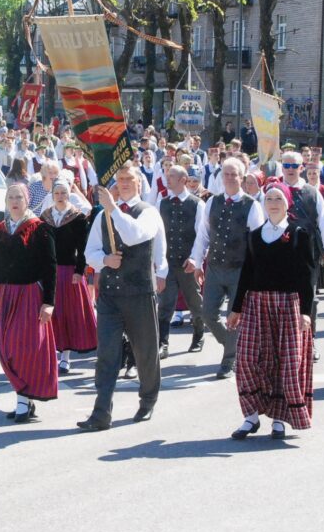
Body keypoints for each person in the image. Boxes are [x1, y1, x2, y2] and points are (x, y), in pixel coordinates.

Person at [78, 163, 168, 431]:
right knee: (106, 353)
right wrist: (104, 260)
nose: (125, 183)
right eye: (120, 179)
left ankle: (148, 398)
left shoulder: (148, 213)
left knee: (145, 352)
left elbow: (134, 236)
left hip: (139, 292)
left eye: (129, 179)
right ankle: (101, 412)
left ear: (139, 183)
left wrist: (113, 209)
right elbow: (89, 252)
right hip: (109, 295)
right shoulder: (102, 216)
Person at [226, 182, 315, 440]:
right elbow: (247, 272)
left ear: (287, 203)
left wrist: (306, 312)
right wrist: (236, 307)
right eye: (269, 199)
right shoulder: (255, 235)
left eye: (278, 198)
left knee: (284, 362)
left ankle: (279, 418)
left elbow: (307, 276)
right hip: (256, 302)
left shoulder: (299, 233)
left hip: (289, 303)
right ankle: (251, 416)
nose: (273, 203)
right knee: (246, 359)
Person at [0, 183, 57, 422]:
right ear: (6, 201)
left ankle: (22, 401)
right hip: (4, 295)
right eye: (11, 197)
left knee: (22, 349)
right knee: (7, 349)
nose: (15, 201)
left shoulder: (40, 229)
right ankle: (24, 399)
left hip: (28, 295)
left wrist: (48, 302)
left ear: (27, 200)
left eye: (19, 196)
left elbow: (50, 268)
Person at [187, 158, 265, 378]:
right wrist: (197, 261)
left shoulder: (252, 205)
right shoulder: (212, 202)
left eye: (234, 174)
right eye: (227, 174)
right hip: (214, 267)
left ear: (242, 177)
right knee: (208, 314)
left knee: (234, 317)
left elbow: (257, 241)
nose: (230, 178)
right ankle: (233, 346)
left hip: (240, 270)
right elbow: (203, 234)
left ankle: (228, 360)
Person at [278, 151, 324, 361]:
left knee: (309, 298)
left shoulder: (312, 192)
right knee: (279, 297)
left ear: (301, 168)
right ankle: (281, 343)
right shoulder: (272, 190)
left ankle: (309, 341)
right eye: (286, 165)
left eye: (294, 166)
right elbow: (261, 221)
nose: (290, 169)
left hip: (307, 253)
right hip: (279, 252)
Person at [40, 180, 97, 375]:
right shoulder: (45, 217)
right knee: (50, 314)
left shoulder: (78, 218)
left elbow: (83, 248)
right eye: (57, 193)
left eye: (64, 192)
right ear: (53, 195)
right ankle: (50, 354)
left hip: (69, 271)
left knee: (68, 314)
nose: (61, 196)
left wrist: (79, 271)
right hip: (49, 271)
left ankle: (65, 357)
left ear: (69, 194)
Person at [157, 165, 206, 356]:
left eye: (172, 176)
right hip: (168, 264)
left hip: (187, 263)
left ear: (183, 180)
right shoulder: (162, 203)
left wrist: (195, 259)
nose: (167, 179)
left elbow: (202, 235)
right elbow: (158, 234)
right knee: (165, 304)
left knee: (195, 303)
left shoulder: (197, 204)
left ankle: (198, 336)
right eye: (167, 175)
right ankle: (163, 342)